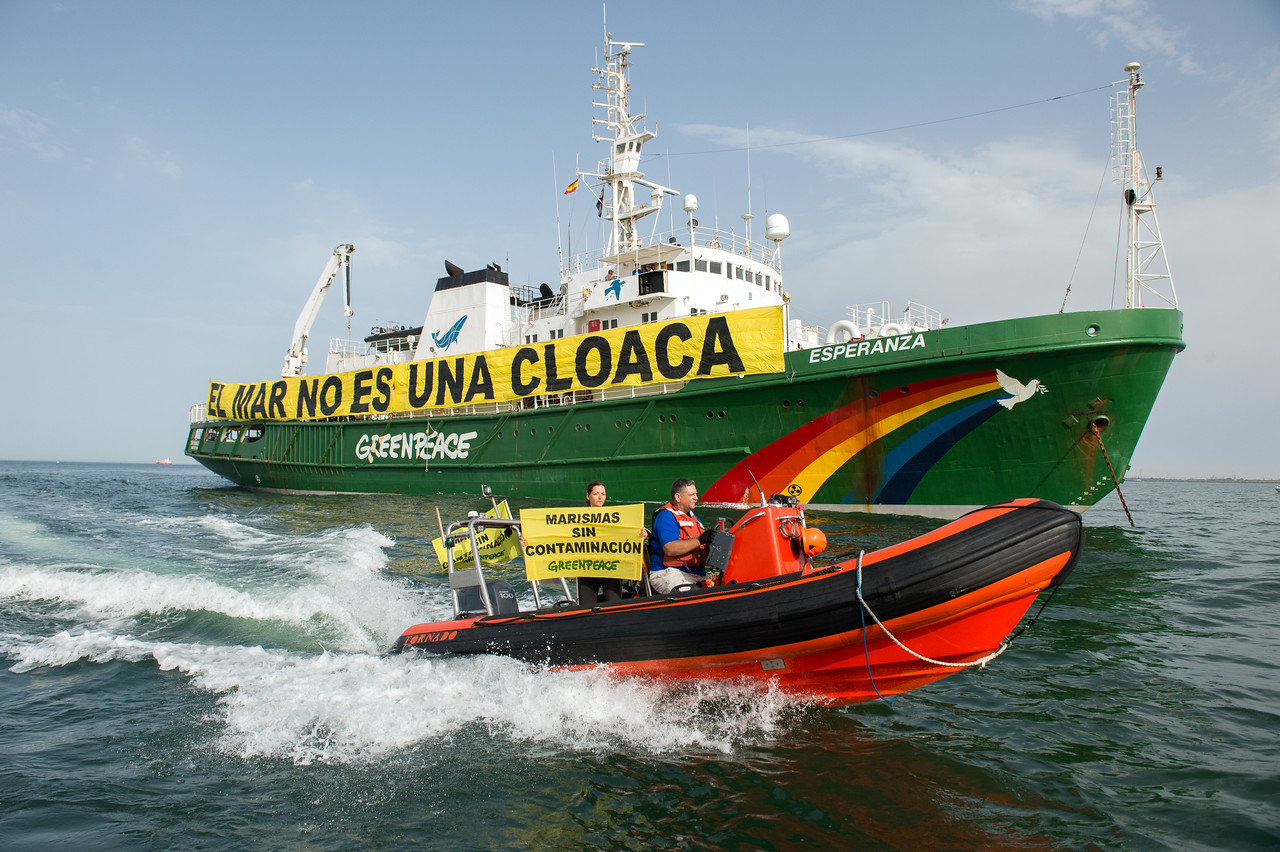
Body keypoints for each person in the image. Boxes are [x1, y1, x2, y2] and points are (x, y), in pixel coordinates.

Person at [648, 478, 717, 594]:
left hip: (696, 574)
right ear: (678, 497)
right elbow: (670, 548)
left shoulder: (694, 518)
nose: (696, 498)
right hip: (668, 572)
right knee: (689, 594)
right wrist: (700, 540)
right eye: (691, 495)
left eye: (696, 494)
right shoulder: (666, 516)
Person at [577, 481, 624, 606]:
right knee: (586, 610)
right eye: (596, 493)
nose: (600, 497)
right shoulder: (577, 518)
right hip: (587, 570)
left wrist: (640, 533)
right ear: (588, 496)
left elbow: (627, 535)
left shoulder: (616, 518)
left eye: (603, 494)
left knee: (615, 608)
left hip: (611, 569)